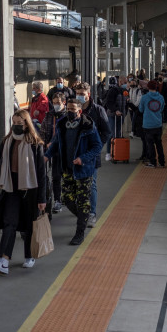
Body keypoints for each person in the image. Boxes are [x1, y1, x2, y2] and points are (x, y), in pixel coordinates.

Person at [0, 110, 47, 274]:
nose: (16, 126)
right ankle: (4, 260)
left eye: (19, 124)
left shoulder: (36, 144)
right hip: (11, 187)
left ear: (26, 125)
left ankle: (29, 255)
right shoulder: (8, 141)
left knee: (28, 225)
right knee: (10, 221)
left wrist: (42, 198)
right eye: (14, 123)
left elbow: (41, 174)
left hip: (31, 189)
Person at [44, 98, 102, 245]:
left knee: (83, 202)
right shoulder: (62, 124)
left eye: (72, 110)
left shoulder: (88, 126)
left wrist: (83, 158)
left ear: (79, 111)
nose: (69, 112)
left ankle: (79, 233)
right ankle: (84, 217)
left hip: (83, 171)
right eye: (68, 109)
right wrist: (47, 155)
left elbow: (97, 147)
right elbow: (56, 142)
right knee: (67, 199)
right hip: (67, 169)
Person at [73, 82, 110, 228]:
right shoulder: (73, 109)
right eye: (78, 93)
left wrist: (97, 146)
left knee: (91, 184)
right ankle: (81, 211)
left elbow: (106, 131)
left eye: (82, 94)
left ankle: (92, 213)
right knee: (77, 183)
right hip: (75, 154)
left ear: (89, 94)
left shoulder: (98, 110)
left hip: (91, 155)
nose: (80, 96)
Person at [40, 92, 68, 213]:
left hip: (66, 152)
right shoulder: (49, 116)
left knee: (67, 176)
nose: (56, 105)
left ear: (64, 102)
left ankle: (68, 197)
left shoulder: (68, 116)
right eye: (54, 103)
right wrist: (45, 144)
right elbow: (43, 131)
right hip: (53, 152)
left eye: (58, 103)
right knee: (55, 176)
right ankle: (57, 200)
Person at [139, 80, 166, 168]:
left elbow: (141, 110)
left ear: (148, 87)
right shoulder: (161, 97)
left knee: (150, 144)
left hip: (148, 124)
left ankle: (153, 162)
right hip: (158, 124)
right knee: (159, 143)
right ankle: (162, 162)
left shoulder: (144, 97)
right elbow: (161, 109)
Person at [103, 76, 126, 152]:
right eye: (124, 81)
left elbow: (126, 103)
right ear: (120, 81)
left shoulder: (123, 90)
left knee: (118, 133)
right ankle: (109, 152)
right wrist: (115, 110)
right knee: (112, 133)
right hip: (112, 115)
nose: (126, 83)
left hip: (121, 115)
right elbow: (108, 103)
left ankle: (117, 151)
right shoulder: (113, 90)